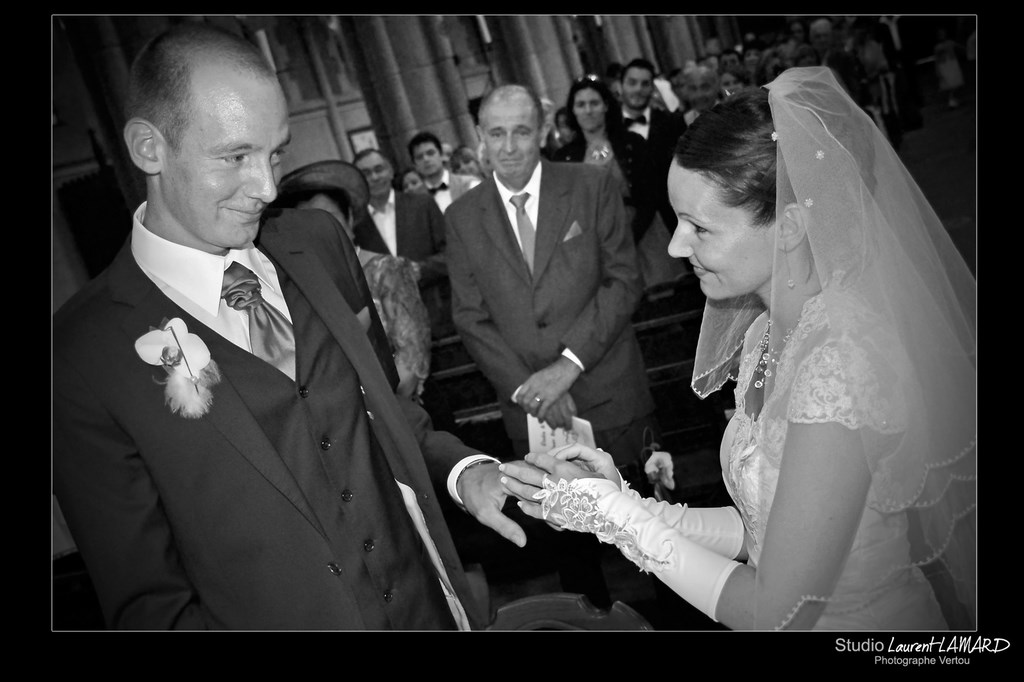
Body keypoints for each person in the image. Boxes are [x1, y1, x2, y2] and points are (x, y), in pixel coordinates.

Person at [51, 23, 525, 630]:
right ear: (150, 148)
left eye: (275, 153)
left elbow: (383, 410)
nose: (269, 187)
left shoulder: (318, 244)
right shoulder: (82, 355)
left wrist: (465, 472)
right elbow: (151, 603)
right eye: (235, 156)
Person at [500, 67, 976, 631]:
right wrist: (614, 501)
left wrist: (615, 516)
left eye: (699, 227)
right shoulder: (764, 336)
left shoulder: (841, 364)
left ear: (792, 226)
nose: (677, 245)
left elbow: (781, 612)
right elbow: (762, 532)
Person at [445, 83, 659, 606]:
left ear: (543, 131)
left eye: (522, 131)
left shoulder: (590, 185)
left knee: (657, 542)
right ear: (480, 138)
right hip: (531, 412)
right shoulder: (462, 216)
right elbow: (469, 318)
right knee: (575, 560)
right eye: (497, 133)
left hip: (609, 392)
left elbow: (623, 280)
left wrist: (565, 367)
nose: (510, 145)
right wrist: (529, 386)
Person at [273, 159, 432, 401]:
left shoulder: (386, 269)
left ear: (349, 218)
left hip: (402, 410)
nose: (320, 230)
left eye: (330, 218)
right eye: (308, 222)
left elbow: (410, 362)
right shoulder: (297, 283)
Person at [352, 147, 454, 341]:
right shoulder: (355, 223)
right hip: (390, 333)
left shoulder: (422, 205)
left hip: (438, 317)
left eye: (379, 169)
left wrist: (418, 270)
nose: (374, 177)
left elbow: (452, 254)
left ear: (390, 171)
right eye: (366, 173)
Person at [552, 75, 659, 246]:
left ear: (606, 106)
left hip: (644, 235)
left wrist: (631, 236)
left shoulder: (632, 142)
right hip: (597, 242)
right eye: (581, 105)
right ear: (573, 110)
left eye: (594, 103)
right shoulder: (563, 157)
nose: (588, 110)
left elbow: (651, 194)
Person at [408, 131, 480, 213]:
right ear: (414, 164)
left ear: (441, 154)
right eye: (419, 157)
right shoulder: (414, 200)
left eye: (430, 153)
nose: (426, 159)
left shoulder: (469, 184)